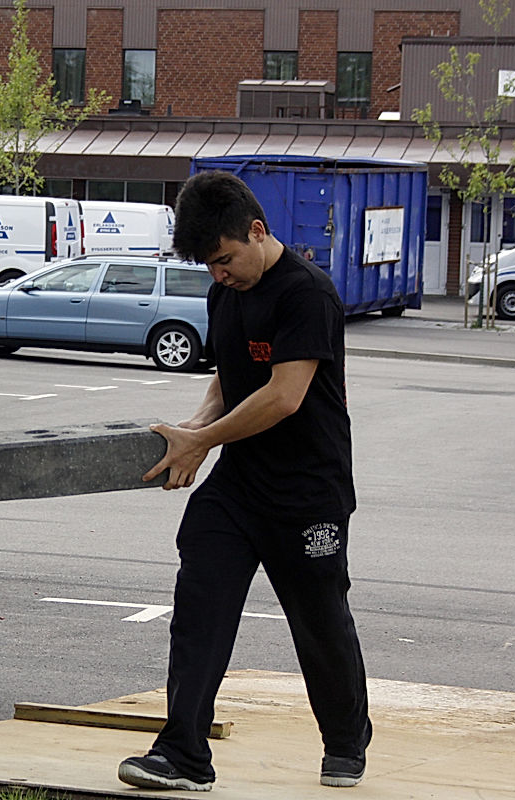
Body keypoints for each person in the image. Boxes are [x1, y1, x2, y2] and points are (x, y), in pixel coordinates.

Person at [117, 170, 371, 791]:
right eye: (209, 265)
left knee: (319, 622)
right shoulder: (224, 292)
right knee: (199, 609)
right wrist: (193, 429)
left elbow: (284, 397)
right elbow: (229, 379)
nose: (219, 274)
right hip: (239, 488)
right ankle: (182, 754)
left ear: (257, 232)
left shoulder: (306, 293)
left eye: (225, 259)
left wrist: (203, 440)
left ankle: (345, 741)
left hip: (308, 490)